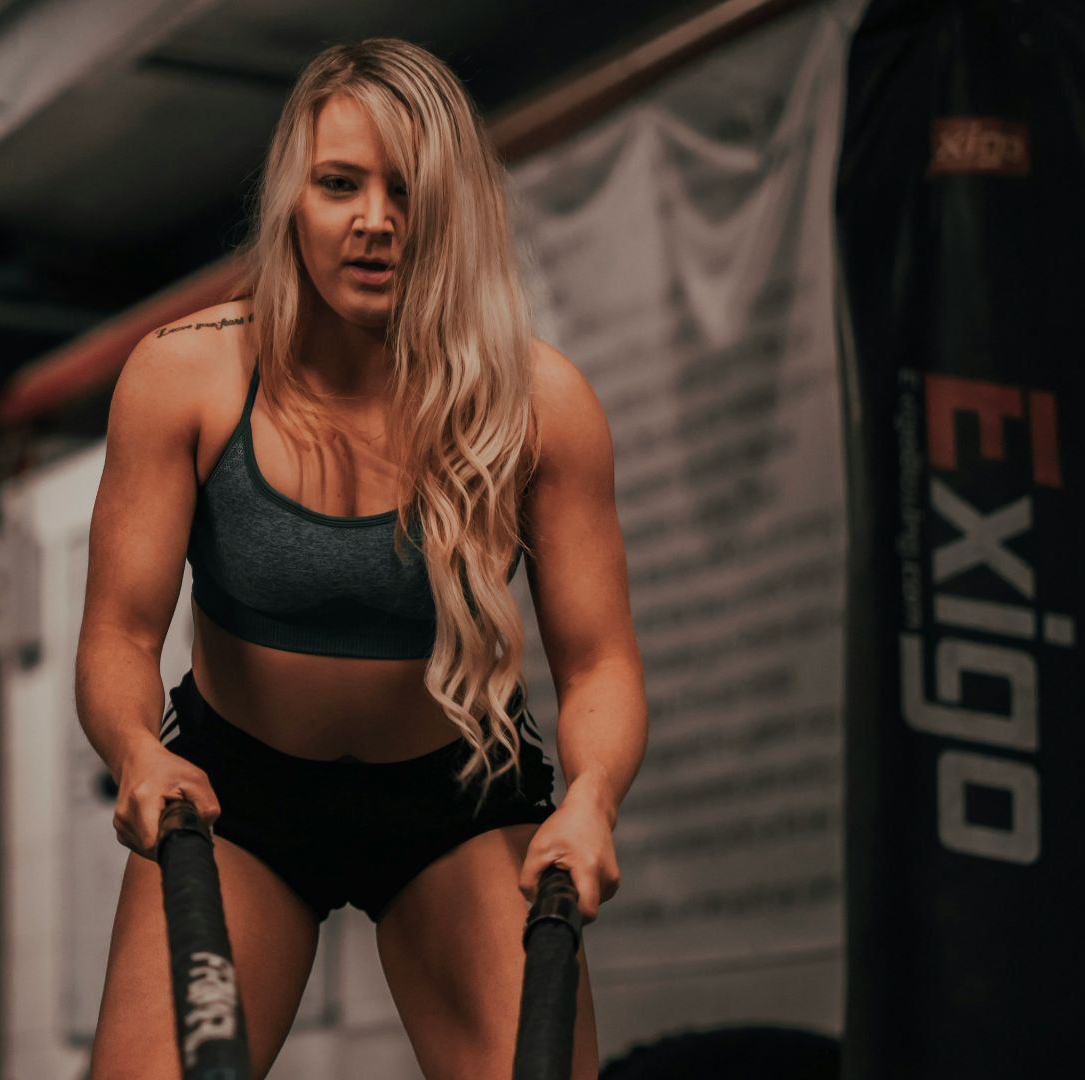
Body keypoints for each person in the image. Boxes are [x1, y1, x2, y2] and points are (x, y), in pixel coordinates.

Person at [75, 37, 646, 1080]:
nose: (374, 221)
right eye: (340, 184)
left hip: (459, 797)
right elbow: (118, 632)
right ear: (293, 200)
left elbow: (600, 661)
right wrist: (136, 751)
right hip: (236, 798)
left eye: (407, 191)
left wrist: (592, 800)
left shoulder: (540, 404)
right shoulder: (184, 377)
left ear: (452, 210)